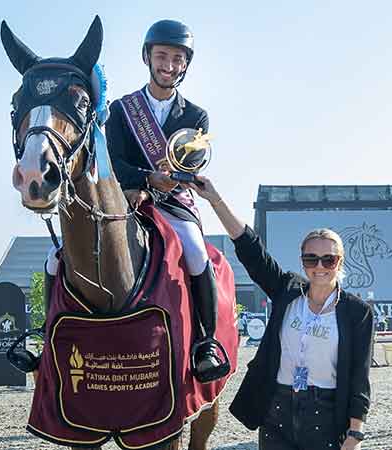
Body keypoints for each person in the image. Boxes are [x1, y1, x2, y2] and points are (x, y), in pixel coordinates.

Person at [187, 176, 372, 450]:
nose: (319, 266)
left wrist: (355, 434)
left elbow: (360, 376)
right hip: (277, 412)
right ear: (302, 261)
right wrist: (216, 200)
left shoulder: (358, 312)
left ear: (339, 262)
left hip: (327, 416)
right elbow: (251, 250)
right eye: (311, 258)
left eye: (328, 259)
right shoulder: (288, 290)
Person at [102, 19, 225, 382]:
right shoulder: (122, 110)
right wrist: (143, 179)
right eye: (162, 57)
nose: (169, 66)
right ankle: (50, 339)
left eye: (177, 59)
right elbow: (113, 161)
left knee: (195, 250)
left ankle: (206, 343)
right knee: (62, 253)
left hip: (173, 201)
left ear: (186, 64)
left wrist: (161, 182)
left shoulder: (196, 115)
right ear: (147, 57)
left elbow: (192, 166)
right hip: (127, 195)